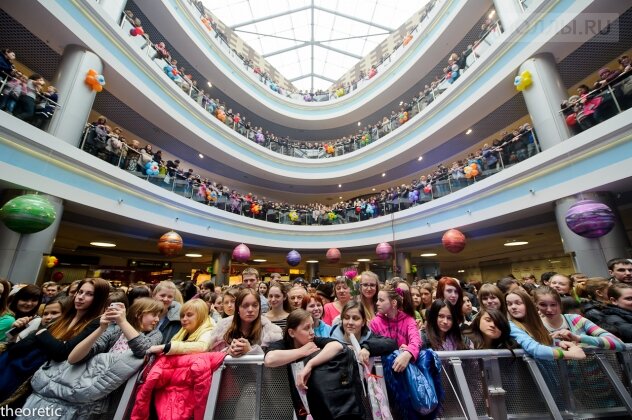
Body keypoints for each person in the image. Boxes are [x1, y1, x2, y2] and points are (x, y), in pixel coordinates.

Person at [19, 298, 164, 418]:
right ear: (139, 314)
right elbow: (74, 358)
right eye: (154, 314)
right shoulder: (113, 331)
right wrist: (101, 328)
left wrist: (122, 321)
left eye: (159, 315)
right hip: (85, 398)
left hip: (115, 400)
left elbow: (143, 349)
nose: (157, 319)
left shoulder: (155, 335)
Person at [0, 278, 110, 403]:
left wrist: (41, 333)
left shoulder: (95, 323)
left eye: (89, 294)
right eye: (80, 292)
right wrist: (35, 334)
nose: (80, 297)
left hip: (38, 379)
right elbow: (16, 349)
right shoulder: (64, 318)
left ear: (99, 298)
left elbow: (62, 352)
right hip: (15, 365)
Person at [264, 310, 353, 420]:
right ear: (292, 333)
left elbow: (337, 345)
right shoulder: (282, 343)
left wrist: (310, 364)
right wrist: (301, 351)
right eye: (306, 328)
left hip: (315, 402)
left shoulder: (314, 340)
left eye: (312, 327)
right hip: (282, 402)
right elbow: (269, 359)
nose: (312, 332)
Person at [534, 286, 624, 351]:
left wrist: (578, 338)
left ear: (560, 304)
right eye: (543, 305)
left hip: (593, 374)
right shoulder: (534, 326)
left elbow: (618, 343)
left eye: (553, 305)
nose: (549, 310)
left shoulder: (576, 320)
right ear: (536, 305)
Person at [210, 288, 282, 356]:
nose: (250, 309)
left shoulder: (271, 331)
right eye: (245, 306)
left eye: (255, 305)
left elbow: (274, 361)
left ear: (259, 308)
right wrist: (228, 352)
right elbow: (212, 355)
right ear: (238, 308)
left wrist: (251, 351)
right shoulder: (222, 328)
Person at [369, 286, 421, 373]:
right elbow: (371, 344)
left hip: (405, 370)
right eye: (378, 300)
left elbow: (416, 341)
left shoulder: (409, 320)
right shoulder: (375, 322)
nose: (377, 303)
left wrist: (408, 352)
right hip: (382, 372)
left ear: (393, 303)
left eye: (381, 300)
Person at [330, 301, 397, 364]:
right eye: (346, 318)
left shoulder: (369, 337)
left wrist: (367, 347)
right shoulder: (332, 339)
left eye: (355, 318)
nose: (350, 322)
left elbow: (392, 343)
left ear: (363, 322)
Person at [147, 299, 215, 355]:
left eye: (189, 315)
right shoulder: (184, 330)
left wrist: (165, 347)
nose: (184, 319)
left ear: (201, 316)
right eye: (182, 316)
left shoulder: (208, 330)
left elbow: (202, 346)